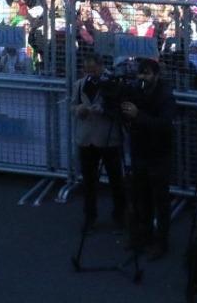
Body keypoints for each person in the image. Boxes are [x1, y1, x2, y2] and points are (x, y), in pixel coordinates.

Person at [120, 57, 176, 261]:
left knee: (160, 200)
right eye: (140, 73)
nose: (142, 77)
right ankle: (142, 236)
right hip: (140, 151)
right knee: (141, 196)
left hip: (159, 154)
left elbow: (164, 125)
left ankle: (161, 242)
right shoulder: (136, 91)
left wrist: (137, 115)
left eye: (146, 73)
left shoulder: (166, 96)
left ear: (156, 75)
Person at [73, 55, 126, 232]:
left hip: (108, 138)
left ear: (101, 66)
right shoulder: (80, 84)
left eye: (93, 69)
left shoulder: (113, 82)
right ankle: (90, 217)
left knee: (115, 179)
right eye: (87, 69)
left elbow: (120, 109)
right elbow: (73, 105)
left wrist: (103, 110)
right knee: (88, 181)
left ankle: (120, 216)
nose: (90, 72)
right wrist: (78, 110)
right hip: (86, 138)